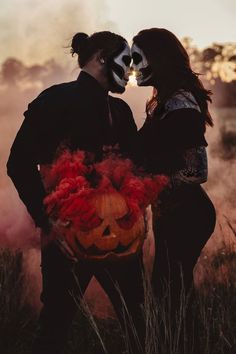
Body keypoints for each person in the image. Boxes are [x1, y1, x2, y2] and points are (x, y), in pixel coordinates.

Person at [7, 31, 145, 354]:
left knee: (137, 323)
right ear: (100, 57)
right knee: (55, 330)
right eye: (125, 62)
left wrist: (139, 212)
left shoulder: (121, 112)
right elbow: (18, 164)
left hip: (117, 238)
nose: (130, 72)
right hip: (68, 240)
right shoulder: (52, 102)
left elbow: (136, 171)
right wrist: (48, 222)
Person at [131, 28, 216, 350]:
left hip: (188, 215)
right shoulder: (162, 102)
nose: (133, 67)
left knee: (171, 291)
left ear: (158, 59)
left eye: (138, 59)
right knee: (170, 290)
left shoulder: (180, 104)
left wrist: (152, 185)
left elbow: (198, 171)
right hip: (172, 213)